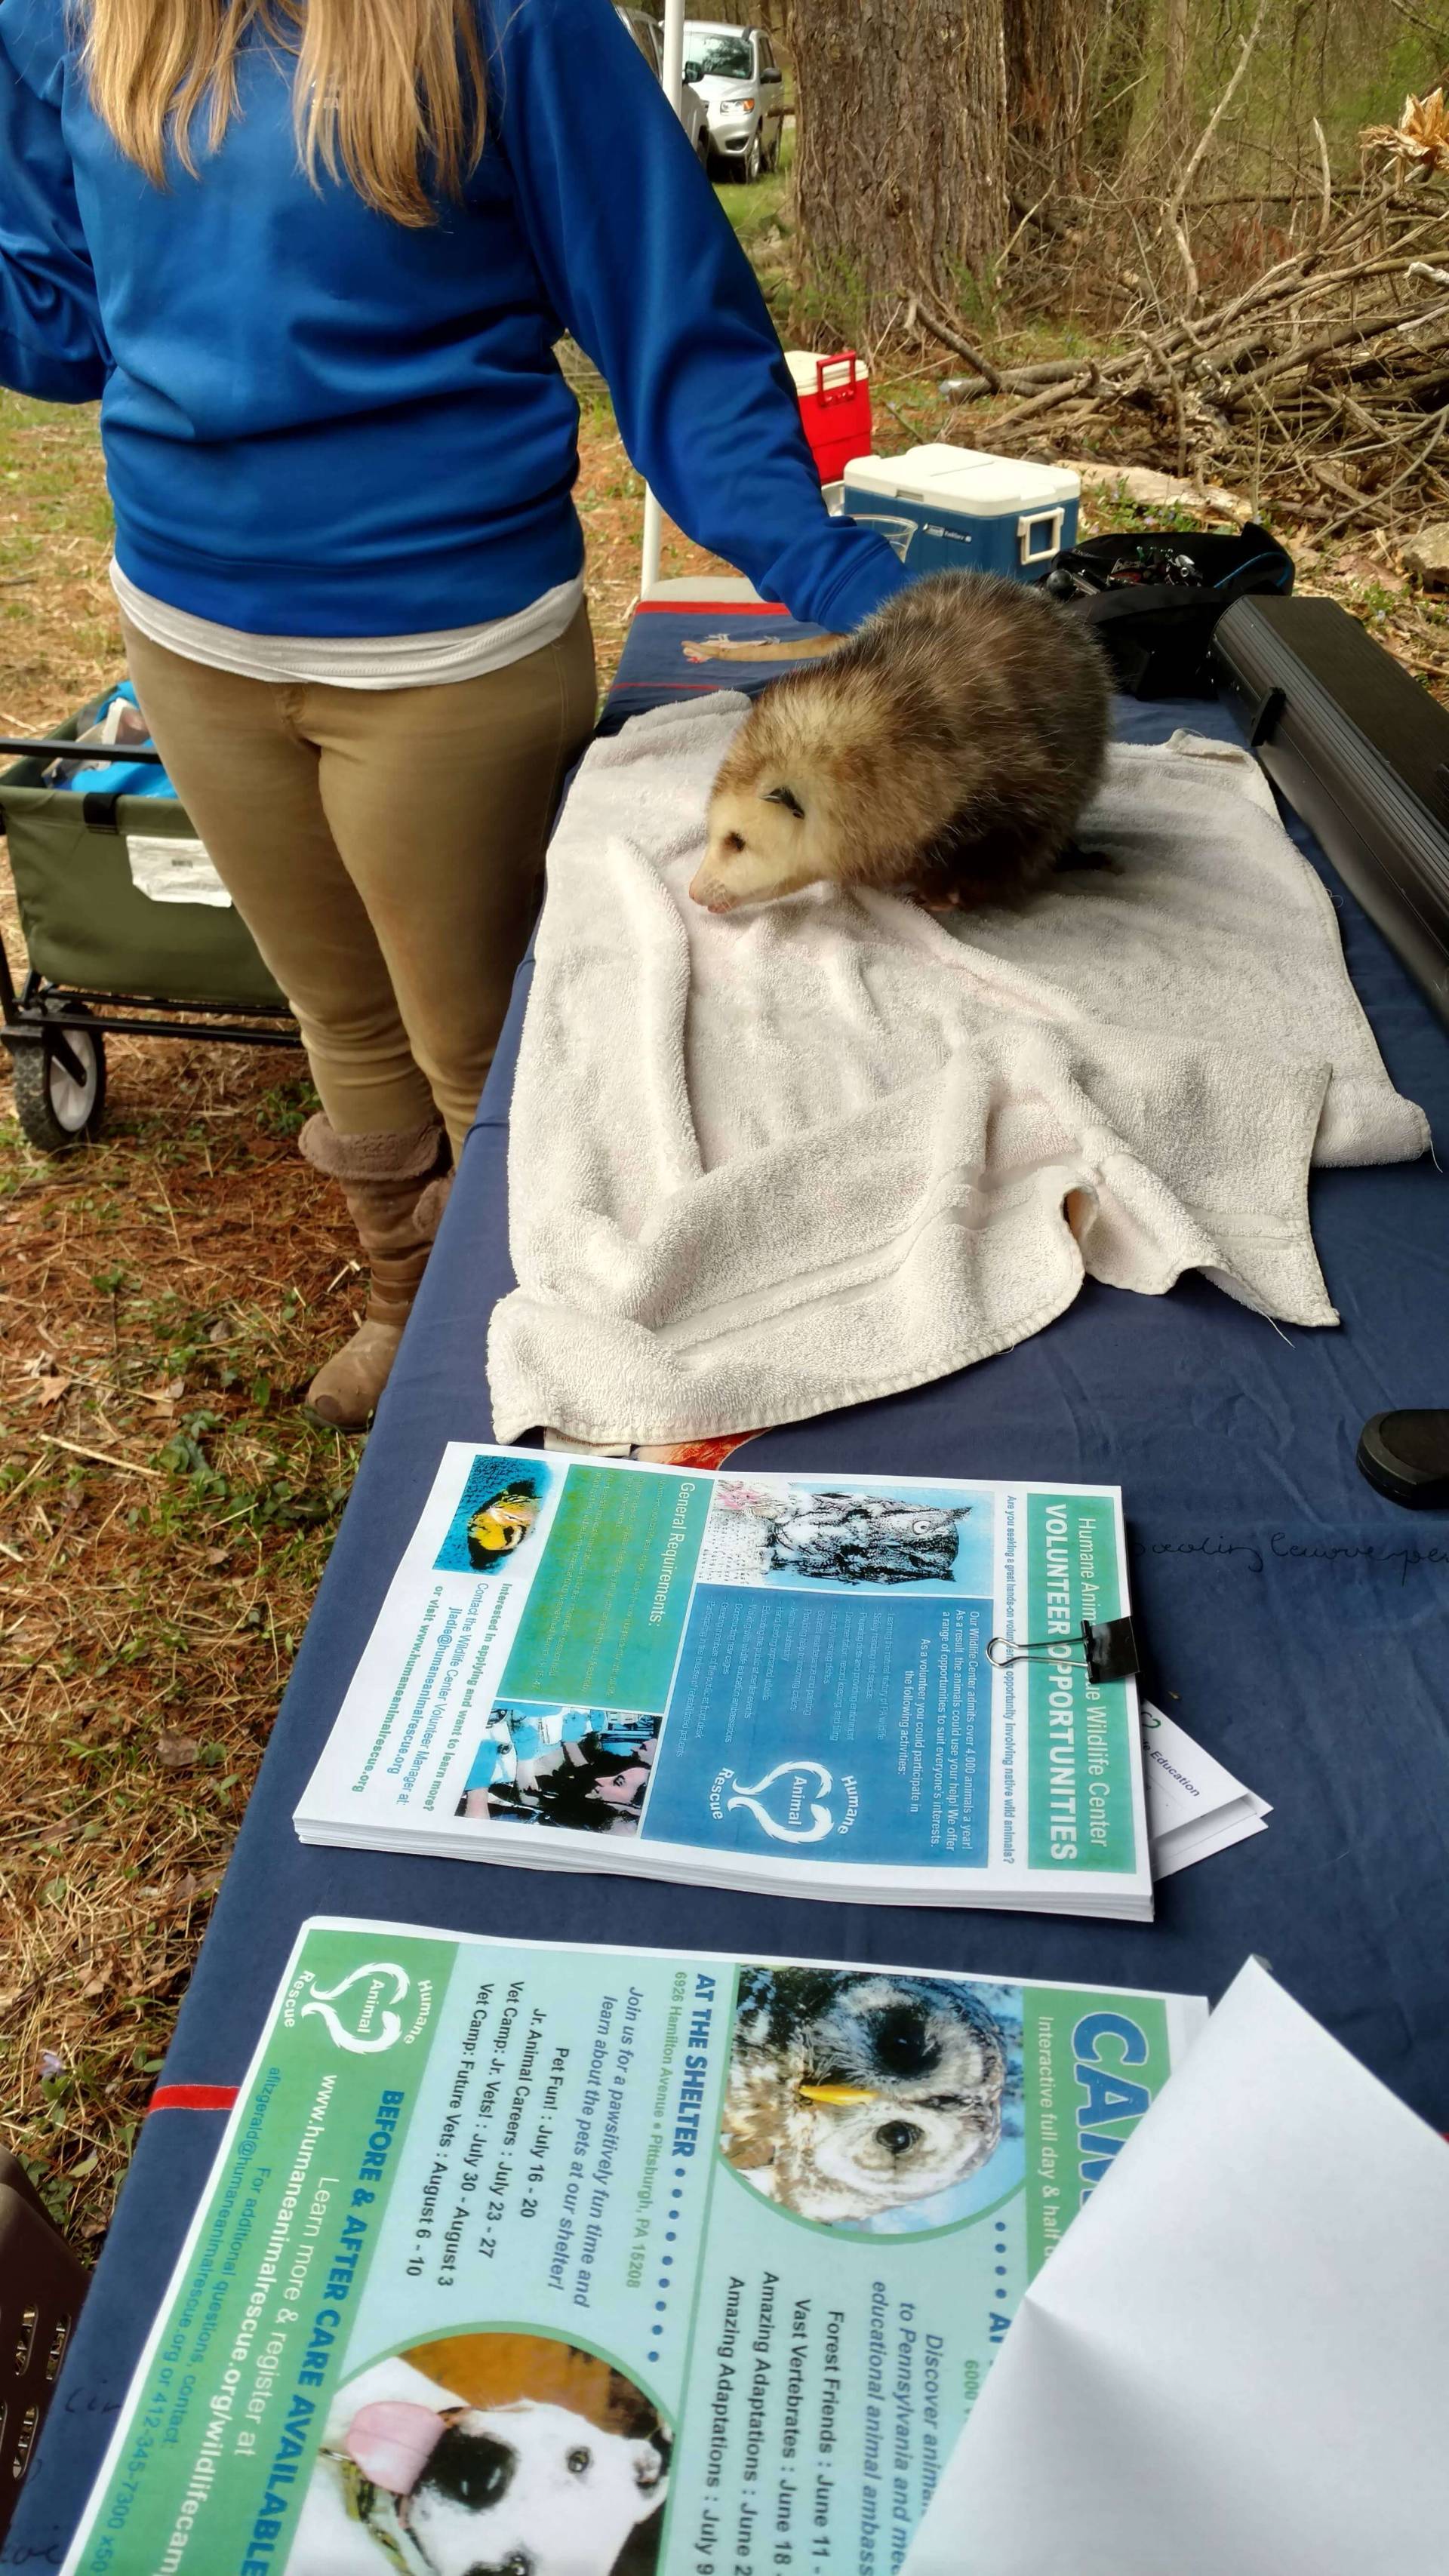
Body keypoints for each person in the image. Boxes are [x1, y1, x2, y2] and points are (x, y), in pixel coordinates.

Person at [0, 0, 907, 1425]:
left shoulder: (516, 22)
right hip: (186, 632)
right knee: (338, 1014)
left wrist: (852, 585)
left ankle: (546, 1348)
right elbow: (63, 326)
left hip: (444, 656)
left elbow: (674, 333)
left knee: (489, 1047)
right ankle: (401, 1303)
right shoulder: (74, 22)